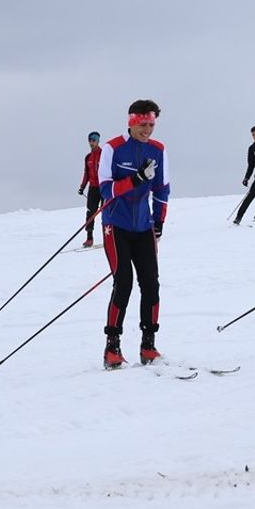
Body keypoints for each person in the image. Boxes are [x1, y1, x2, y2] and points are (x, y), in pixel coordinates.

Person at [98, 99, 170, 368]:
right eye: (143, 125)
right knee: (124, 282)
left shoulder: (158, 150)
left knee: (151, 283)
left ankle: (148, 344)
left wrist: (159, 220)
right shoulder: (113, 149)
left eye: (151, 125)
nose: (147, 130)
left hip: (143, 226)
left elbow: (162, 189)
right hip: (115, 225)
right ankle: (112, 347)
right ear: (131, 123)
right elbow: (105, 190)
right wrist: (135, 180)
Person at [77, 131, 103, 248]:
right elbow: (86, 173)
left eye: (94, 140)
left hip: (104, 187)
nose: (92, 143)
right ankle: (89, 238)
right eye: (90, 140)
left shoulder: (104, 154)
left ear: (98, 141)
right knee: (90, 212)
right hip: (93, 188)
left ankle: (109, 235)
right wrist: (82, 186)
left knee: (107, 212)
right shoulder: (88, 157)